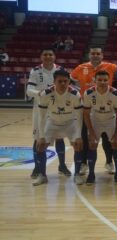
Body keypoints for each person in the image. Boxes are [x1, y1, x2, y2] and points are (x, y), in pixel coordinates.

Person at [71, 47, 117, 175]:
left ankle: (109, 162)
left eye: (98, 54)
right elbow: (71, 79)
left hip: (106, 107)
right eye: (93, 53)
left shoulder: (111, 67)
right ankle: (84, 163)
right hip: (87, 108)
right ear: (89, 55)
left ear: (102, 55)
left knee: (107, 138)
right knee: (85, 136)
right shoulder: (80, 68)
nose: (95, 55)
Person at [34, 69, 83, 186]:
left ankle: (77, 174)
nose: (62, 84)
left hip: (70, 122)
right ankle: (42, 175)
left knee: (78, 145)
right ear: (54, 81)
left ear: (69, 81)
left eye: (65, 81)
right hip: (52, 122)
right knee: (40, 146)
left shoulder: (75, 94)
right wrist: (41, 136)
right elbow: (41, 117)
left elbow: (79, 117)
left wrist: (78, 136)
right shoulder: (45, 94)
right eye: (59, 81)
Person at [26, 48, 69, 179]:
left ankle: (62, 166)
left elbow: (66, 86)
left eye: (50, 54)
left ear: (54, 57)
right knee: (38, 138)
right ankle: (37, 167)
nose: (48, 57)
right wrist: (39, 93)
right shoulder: (36, 70)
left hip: (57, 108)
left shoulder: (61, 70)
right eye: (45, 54)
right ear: (41, 57)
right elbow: (29, 90)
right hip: (40, 109)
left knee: (59, 137)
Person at [82, 70, 117, 185]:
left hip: (110, 120)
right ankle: (91, 174)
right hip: (95, 120)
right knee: (92, 144)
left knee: (116, 144)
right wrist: (91, 132)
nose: (102, 82)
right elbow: (85, 113)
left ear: (109, 81)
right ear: (94, 80)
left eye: (105, 80)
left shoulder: (115, 93)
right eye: (99, 80)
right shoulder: (88, 93)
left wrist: (116, 132)